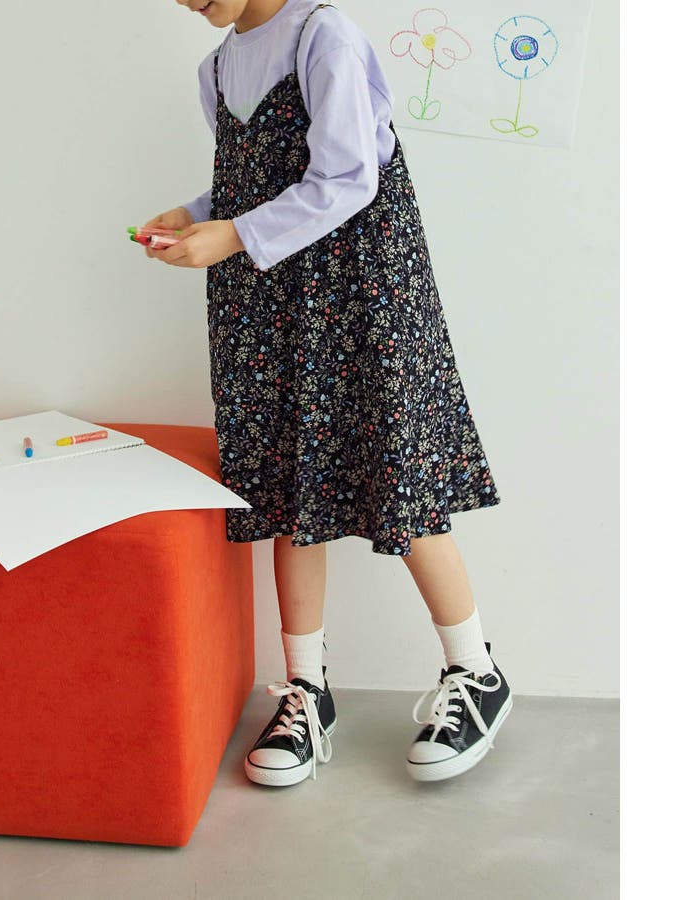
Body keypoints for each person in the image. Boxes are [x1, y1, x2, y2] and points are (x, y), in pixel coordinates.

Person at [140, 0, 512, 787]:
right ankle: (306, 688)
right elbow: (256, 186)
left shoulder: (324, 37)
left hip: (359, 298)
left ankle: (475, 671)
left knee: (399, 479)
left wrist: (232, 234)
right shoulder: (216, 69)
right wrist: (198, 215)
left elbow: (347, 176)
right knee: (290, 487)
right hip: (272, 305)